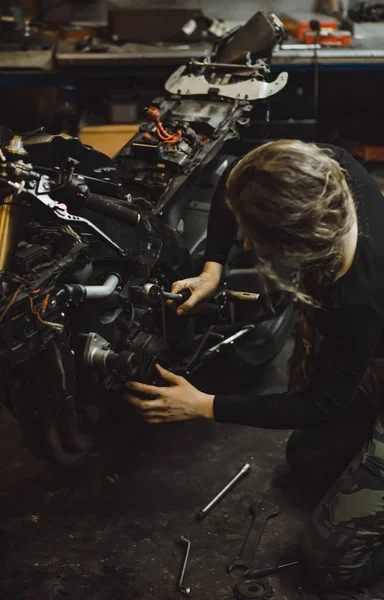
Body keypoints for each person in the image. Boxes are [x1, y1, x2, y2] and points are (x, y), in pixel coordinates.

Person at [123, 140, 384, 595]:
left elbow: (321, 405)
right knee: (307, 462)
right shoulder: (326, 169)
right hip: (367, 346)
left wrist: (205, 406)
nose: (243, 242)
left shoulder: (355, 301)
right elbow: (238, 181)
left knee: (328, 568)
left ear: (296, 246)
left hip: (370, 341)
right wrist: (213, 269)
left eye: (254, 239)